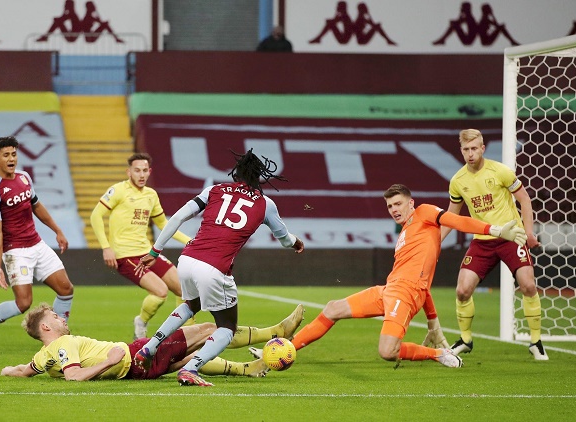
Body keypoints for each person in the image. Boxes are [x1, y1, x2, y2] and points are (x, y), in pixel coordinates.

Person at [286, 184, 526, 368]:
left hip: (405, 292)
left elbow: (456, 221)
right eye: (390, 207)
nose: (394, 210)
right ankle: (287, 350)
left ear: (411, 203)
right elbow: (424, 285)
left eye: (398, 204)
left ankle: (439, 354)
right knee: (332, 308)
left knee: (388, 351)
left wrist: (493, 230)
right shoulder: (404, 235)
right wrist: (433, 322)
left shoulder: (425, 212)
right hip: (389, 289)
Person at [133, 149, 305, 386]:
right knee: (226, 328)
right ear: (260, 176)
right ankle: (191, 369)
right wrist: (296, 243)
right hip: (214, 268)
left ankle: (149, 347)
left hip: (188, 259)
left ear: (237, 173)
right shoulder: (266, 204)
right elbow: (285, 239)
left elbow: (177, 217)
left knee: (190, 305)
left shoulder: (214, 190)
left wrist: (155, 251)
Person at [442, 129, 548, 360]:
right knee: (462, 291)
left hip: (511, 237)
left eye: (474, 148)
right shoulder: (458, 181)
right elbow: (452, 216)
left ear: (482, 148)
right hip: (482, 242)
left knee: (528, 285)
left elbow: (524, 199)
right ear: (461, 151)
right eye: (466, 149)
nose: (470, 154)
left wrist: (528, 232)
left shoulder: (500, 171)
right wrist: (434, 242)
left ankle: (536, 342)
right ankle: (466, 340)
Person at [0, 136, 74, 353]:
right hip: (16, 251)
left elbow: (37, 206)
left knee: (66, 289)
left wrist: (57, 231)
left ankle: (58, 338)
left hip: (37, 244)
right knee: (23, 303)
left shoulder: (24, 177)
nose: (11, 158)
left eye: (14, 154)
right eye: (6, 155)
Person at [0, 302, 305, 381]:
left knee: (190, 357)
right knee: (208, 329)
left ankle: (246, 369)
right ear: (45, 326)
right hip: (134, 358)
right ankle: (276, 332)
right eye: (55, 316)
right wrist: (109, 360)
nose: (62, 318)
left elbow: (22, 371)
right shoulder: (60, 347)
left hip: (137, 366)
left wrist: (7, 370)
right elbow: (74, 376)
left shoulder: (43, 355)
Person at [90, 152, 193, 340]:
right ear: (128, 172)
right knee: (160, 292)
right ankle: (141, 321)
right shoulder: (118, 190)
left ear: (150, 171)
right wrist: (106, 247)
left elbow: (163, 224)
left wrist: (189, 241)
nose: (141, 175)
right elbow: (95, 216)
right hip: (125, 255)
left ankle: (188, 334)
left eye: (145, 170)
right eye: (137, 170)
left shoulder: (151, 195)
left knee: (184, 289)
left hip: (147, 252)